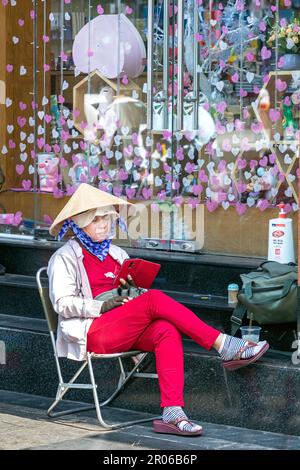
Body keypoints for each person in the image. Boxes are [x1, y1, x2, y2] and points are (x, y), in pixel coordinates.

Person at [48, 183, 269, 437]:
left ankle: (173, 413)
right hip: (92, 331)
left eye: (107, 218)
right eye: (96, 219)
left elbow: (121, 296)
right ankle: (225, 346)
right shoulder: (64, 257)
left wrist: (129, 292)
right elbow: (62, 303)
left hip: (122, 325)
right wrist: (102, 305)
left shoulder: (116, 252)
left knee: (165, 329)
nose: (104, 224)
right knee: (154, 299)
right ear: (79, 223)